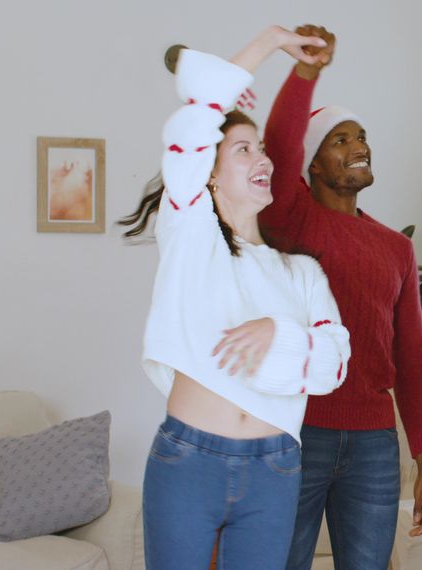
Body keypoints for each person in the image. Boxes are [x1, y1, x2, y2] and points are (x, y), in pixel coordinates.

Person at [118, 26, 350, 569]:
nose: (261, 158)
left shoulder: (302, 272)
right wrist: (269, 42)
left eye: (263, 149)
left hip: (275, 469)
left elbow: (334, 362)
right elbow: (200, 117)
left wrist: (279, 334)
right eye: (243, 149)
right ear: (210, 176)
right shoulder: (190, 234)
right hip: (187, 460)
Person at [258, 25, 422, 569]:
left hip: (374, 444)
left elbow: (413, 357)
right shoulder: (289, 219)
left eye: (361, 137)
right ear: (312, 165)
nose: (359, 147)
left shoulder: (396, 248)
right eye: (341, 139)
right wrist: (308, 70)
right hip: (299, 432)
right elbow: (280, 143)